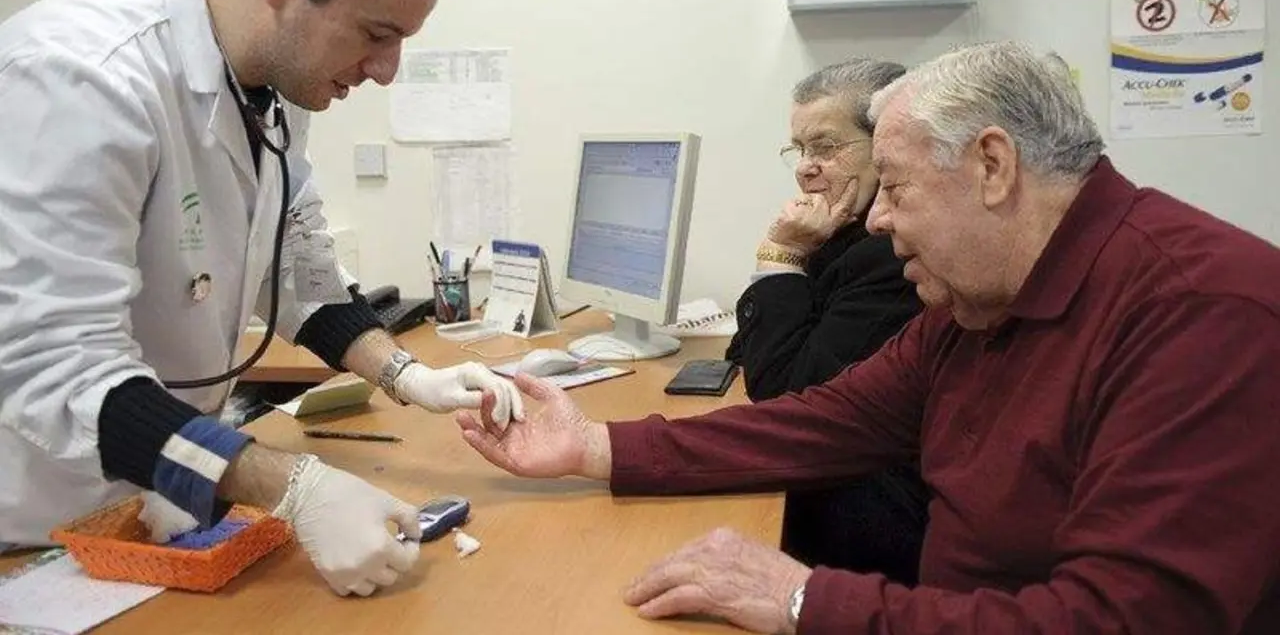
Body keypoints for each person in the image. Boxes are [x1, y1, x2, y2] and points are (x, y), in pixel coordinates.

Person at [458, 41, 1280, 634]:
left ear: (992, 167)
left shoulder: (1208, 313)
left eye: (895, 187)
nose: (876, 218)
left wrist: (803, 599)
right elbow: (823, 420)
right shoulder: (977, 299)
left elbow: (1122, 620)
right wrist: (594, 446)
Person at [0, 0, 525, 598]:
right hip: (37, 528)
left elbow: (291, 256)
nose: (387, 71)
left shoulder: (274, 78)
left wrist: (406, 375)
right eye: (377, 34)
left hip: (161, 506)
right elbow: (56, 368)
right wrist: (293, 486)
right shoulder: (80, 78)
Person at [725, 59, 924, 583]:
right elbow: (747, 351)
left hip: (878, 528)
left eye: (826, 147)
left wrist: (781, 253)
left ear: (886, 146)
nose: (805, 168)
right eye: (800, 149)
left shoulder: (891, 255)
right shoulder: (838, 234)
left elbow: (783, 394)